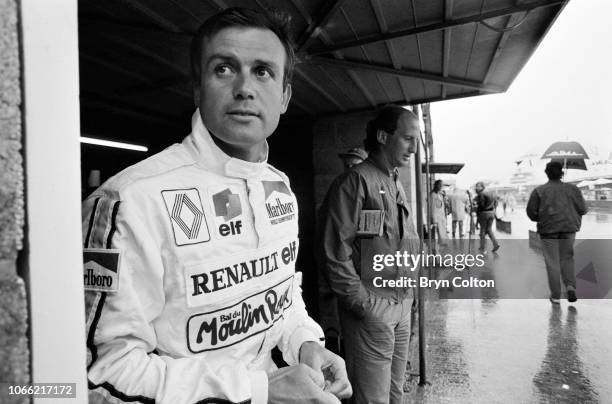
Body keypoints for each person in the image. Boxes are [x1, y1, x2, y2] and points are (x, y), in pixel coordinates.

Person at [81, 8, 351, 404]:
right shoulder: (130, 200)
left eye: (263, 71)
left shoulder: (280, 188)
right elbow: (100, 376)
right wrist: (258, 390)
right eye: (224, 69)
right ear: (197, 88)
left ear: (285, 96)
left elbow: (281, 294)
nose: (245, 87)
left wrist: (305, 342)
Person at [321, 105, 420, 404]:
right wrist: (362, 305)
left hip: (401, 303)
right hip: (372, 308)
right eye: (407, 139)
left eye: (416, 141)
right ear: (382, 136)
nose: (414, 149)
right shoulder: (355, 182)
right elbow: (334, 251)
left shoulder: (393, 181)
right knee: (372, 399)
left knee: (394, 393)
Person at [526, 161, 587, 304]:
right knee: (567, 258)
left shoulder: (539, 191)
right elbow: (583, 209)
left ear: (546, 173)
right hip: (569, 228)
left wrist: (541, 217)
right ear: (562, 173)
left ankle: (556, 295)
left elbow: (531, 213)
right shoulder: (573, 189)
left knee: (552, 261)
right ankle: (570, 287)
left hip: (548, 230)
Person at [474, 181, 500, 253]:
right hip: (491, 213)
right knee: (489, 230)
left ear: (482, 187)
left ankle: (483, 248)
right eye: (476, 186)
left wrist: (476, 207)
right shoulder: (492, 193)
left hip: (484, 214)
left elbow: (481, 206)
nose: (476, 188)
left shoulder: (481, 194)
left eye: (478, 186)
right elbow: (496, 203)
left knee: (482, 231)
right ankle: (496, 244)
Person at [430, 179, 448, 245]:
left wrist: (444, 196)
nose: (441, 186)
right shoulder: (433, 194)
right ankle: (440, 243)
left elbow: (443, 204)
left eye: (442, 185)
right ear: (436, 185)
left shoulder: (440, 194)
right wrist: (433, 218)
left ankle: (442, 242)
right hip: (436, 215)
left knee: (442, 229)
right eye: (440, 185)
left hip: (441, 214)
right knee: (439, 230)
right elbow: (432, 206)